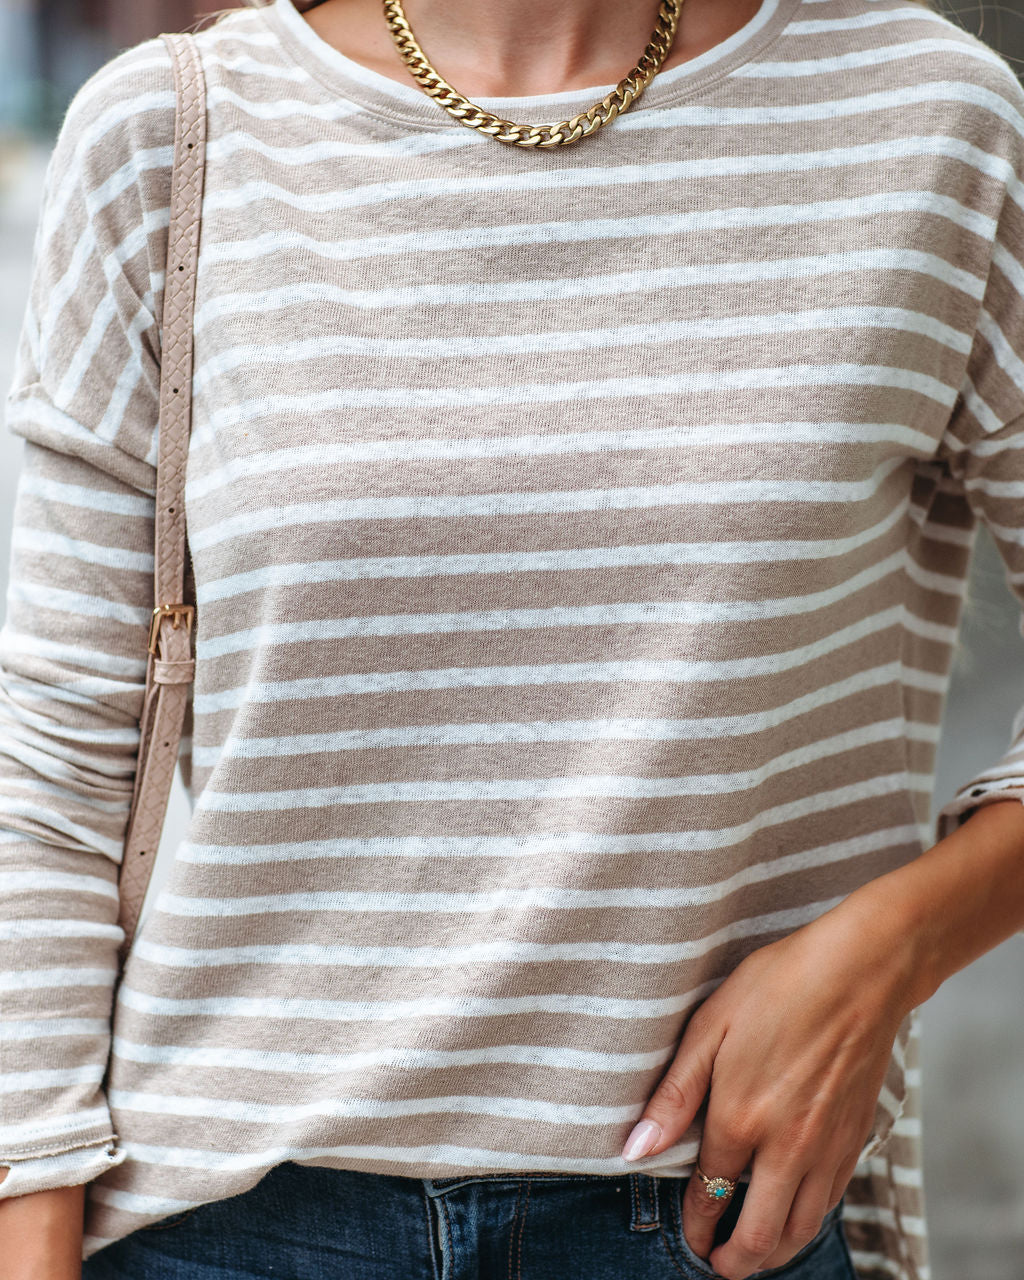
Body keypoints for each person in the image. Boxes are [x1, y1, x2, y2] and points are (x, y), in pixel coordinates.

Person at [0, 0, 1021, 1276]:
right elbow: (49, 777)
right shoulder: (170, 137)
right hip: (227, 1219)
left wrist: (898, 945)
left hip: (705, 1220)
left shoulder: (928, 119)